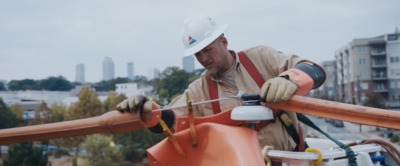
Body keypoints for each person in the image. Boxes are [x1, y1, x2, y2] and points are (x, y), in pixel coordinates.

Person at [117, 14, 326, 151]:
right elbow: (171, 120)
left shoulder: (261, 58)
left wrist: (290, 80)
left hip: (293, 159)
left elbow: (312, 69)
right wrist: (148, 111)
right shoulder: (199, 90)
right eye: (197, 54)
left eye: (207, 50)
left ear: (224, 42)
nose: (203, 58)